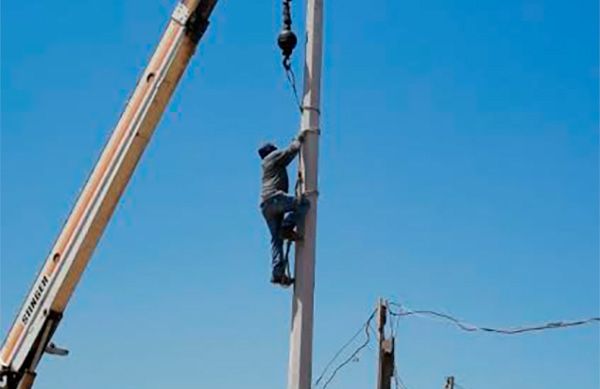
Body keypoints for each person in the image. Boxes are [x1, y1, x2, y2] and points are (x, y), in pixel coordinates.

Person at [259, 133, 309, 287]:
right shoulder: (272, 157)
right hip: (275, 199)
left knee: (276, 241)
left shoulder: (266, 164)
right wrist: (298, 138)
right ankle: (286, 228)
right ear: (272, 150)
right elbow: (292, 150)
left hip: (266, 205)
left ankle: (277, 274)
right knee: (303, 203)